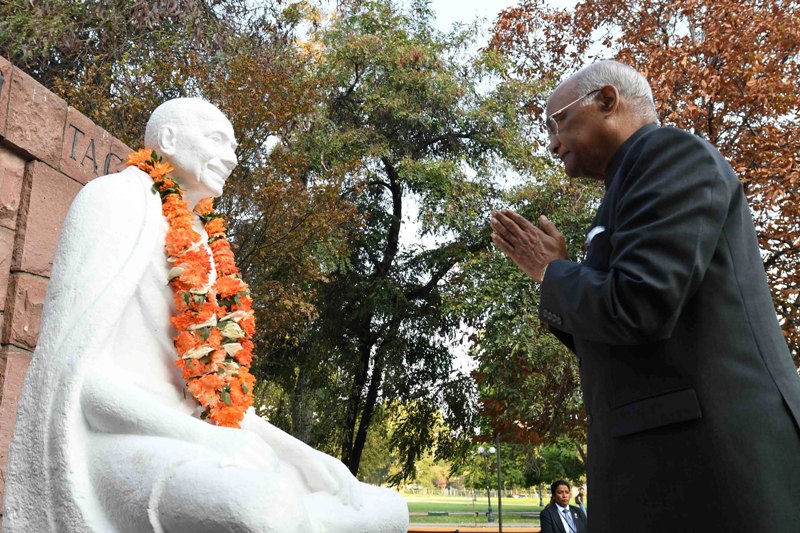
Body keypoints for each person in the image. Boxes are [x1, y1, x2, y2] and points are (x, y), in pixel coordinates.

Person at [4, 98, 409, 533]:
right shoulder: (113, 200)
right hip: (121, 441)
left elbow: (226, 406)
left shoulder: (210, 243)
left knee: (386, 508)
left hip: (209, 443)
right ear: (169, 139)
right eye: (218, 140)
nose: (233, 159)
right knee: (262, 509)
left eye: (234, 147)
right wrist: (209, 440)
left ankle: (308, 518)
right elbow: (80, 381)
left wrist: (305, 456)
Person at [490, 60, 800, 532]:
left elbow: (639, 304)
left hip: (710, 470)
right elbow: (620, 331)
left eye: (558, 123)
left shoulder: (669, 155)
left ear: (607, 102)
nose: (552, 143)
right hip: (664, 469)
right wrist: (555, 274)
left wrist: (551, 271)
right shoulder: (629, 183)